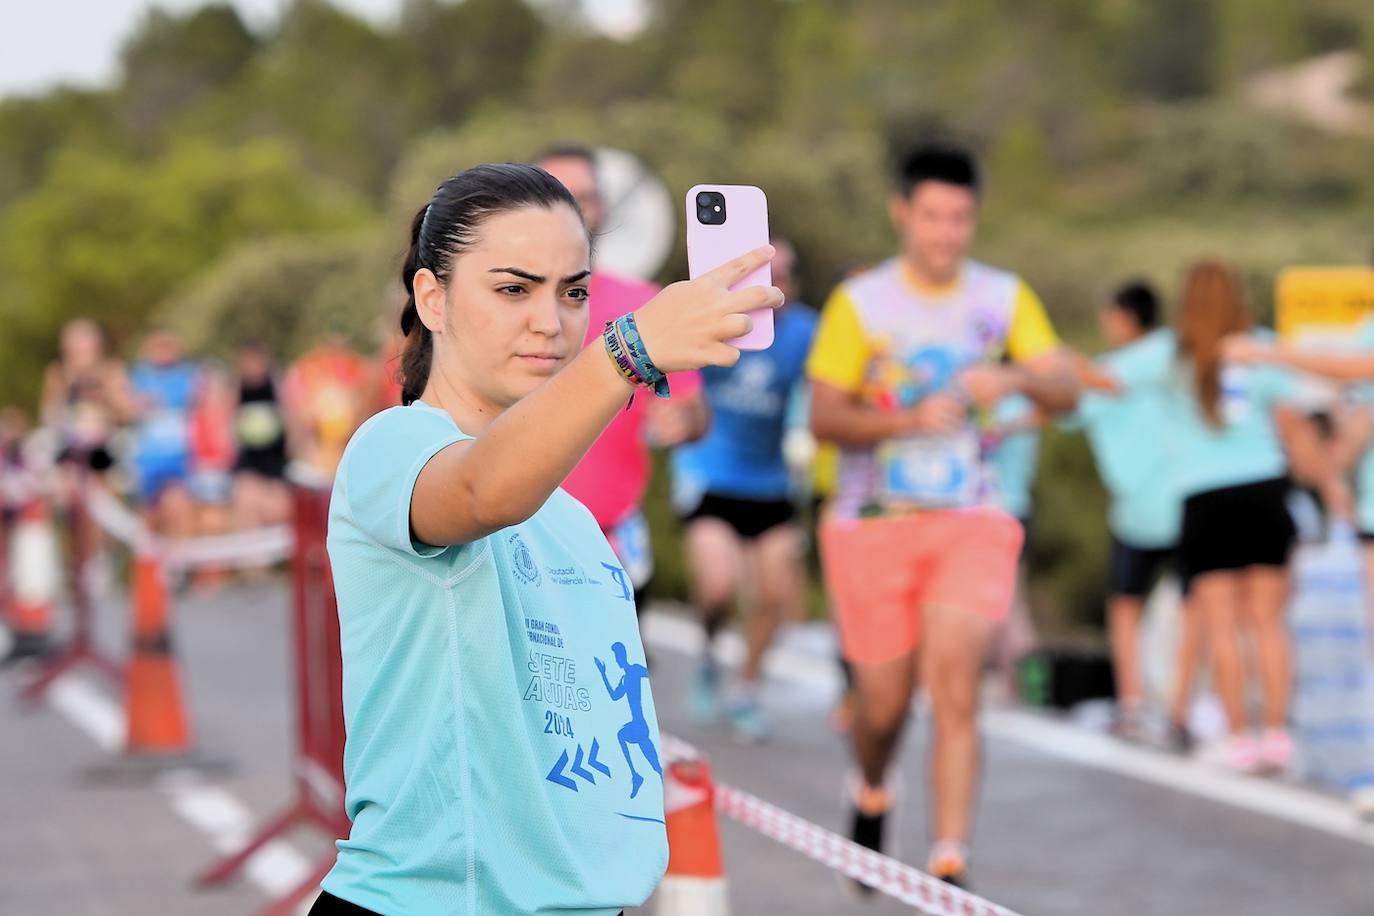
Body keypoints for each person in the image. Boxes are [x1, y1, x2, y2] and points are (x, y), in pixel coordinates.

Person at [312, 162, 781, 915]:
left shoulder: (569, 519)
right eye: (512, 288)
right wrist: (627, 354)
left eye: (574, 293)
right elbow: (480, 490)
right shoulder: (391, 448)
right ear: (432, 298)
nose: (551, 322)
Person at [807, 145, 1077, 887]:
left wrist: (1014, 375)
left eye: (960, 218)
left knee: (956, 680)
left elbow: (1066, 390)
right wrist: (907, 419)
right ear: (902, 213)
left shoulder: (1002, 298)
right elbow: (825, 417)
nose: (947, 233)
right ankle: (870, 788)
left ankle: (949, 861)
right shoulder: (860, 304)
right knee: (883, 707)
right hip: (873, 520)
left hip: (972, 517)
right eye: (932, 216)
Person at [1162, 261, 1341, 773]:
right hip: (1263, 491)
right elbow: (1294, 423)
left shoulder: (1175, 359)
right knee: (1269, 624)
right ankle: (1278, 735)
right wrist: (1327, 481)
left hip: (1204, 498)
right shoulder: (1259, 347)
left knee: (1222, 629)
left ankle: (1239, 738)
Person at [536, 145, 707, 609]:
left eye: (584, 197)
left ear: (604, 209)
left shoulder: (645, 302)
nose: (572, 208)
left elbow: (692, 412)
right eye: (556, 194)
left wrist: (683, 421)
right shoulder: (494, 303)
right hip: (510, 544)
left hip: (611, 549)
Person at [672, 237, 817, 740]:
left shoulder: (806, 332)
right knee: (717, 587)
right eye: (770, 272)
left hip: (771, 481)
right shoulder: (721, 321)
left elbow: (831, 385)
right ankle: (711, 653)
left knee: (775, 596)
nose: (779, 281)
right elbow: (683, 384)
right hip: (712, 474)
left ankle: (746, 687)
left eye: (789, 271)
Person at [1068, 281, 1197, 745]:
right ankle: (1142, 705)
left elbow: (1100, 382)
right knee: (1140, 606)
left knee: (1165, 606)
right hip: (1147, 509)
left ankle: (1165, 709)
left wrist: (1058, 362)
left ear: (1125, 317)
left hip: (1172, 503)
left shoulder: (1159, 352)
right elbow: (1070, 407)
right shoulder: (1130, 363)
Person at [129, 330, 199, 538]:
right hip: (147, 460)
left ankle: (181, 564)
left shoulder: (188, 376)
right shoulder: (139, 376)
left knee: (179, 507)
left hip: (179, 458)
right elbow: (126, 407)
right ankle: (151, 567)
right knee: (149, 516)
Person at [40, 318, 129, 480]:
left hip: (107, 442)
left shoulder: (112, 370)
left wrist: (105, 391)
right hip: (68, 441)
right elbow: (48, 413)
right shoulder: (57, 373)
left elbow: (126, 412)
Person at [283, 329, 373, 481]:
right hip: (316, 455)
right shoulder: (307, 368)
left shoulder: (359, 368)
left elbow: (365, 405)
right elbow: (298, 410)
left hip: (341, 450)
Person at [231, 342, 291, 534]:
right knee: (247, 504)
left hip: (274, 461)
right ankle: (253, 562)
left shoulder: (276, 388)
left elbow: (291, 421)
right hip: (249, 462)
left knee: (279, 510)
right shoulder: (237, 389)